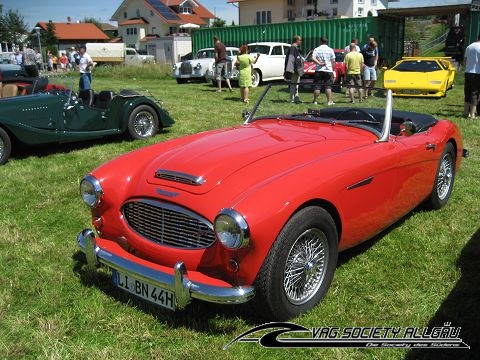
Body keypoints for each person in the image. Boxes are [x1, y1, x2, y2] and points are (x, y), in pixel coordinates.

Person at [312, 36, 336, 105]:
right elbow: (333, 61)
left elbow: (313, 58)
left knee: (317, 86)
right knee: (328, 86)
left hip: (319, 70)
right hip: (328, 70)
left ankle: (315, 101)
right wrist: (332, 69)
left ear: (320, 41)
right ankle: (329, 101)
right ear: (326, 42)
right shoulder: (330, 50)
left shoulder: (316, 49)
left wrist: (319, 63)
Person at [463, 33, 480, 119]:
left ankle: (466, 112)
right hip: (477, 73)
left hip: (468, 72)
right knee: (475, 93)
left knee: (467, 92)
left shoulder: (469, 46)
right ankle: (473, 114)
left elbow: (465, 61)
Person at [284, 35, 304, 103]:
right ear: (297, 40)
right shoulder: (293, 48)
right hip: (295, 69)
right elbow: (291, 59)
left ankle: (296, 98)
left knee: (296, 84)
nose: (300, 41)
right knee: (293, 84)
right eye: (300, 40)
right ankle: (292, 99)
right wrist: (291, 69)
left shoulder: (295, 48)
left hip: (297, 69)